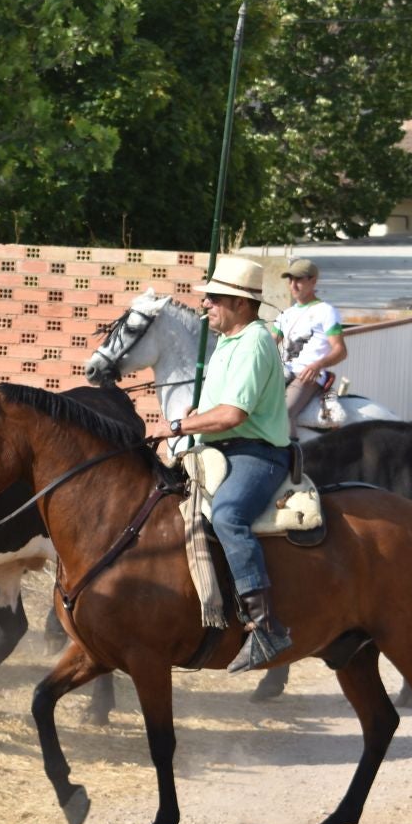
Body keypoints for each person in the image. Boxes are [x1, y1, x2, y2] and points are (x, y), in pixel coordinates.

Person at [168, 255, 293, 673]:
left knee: (228, 516)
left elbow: (233, 415)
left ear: (241, 304)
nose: (206, 305)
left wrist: (180, 423)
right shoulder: (227, 342)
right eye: (208, 299)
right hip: (219, 450)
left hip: (256, 453)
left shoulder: (256, 340)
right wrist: (194, 415)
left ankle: (266, 628)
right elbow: (214, 409)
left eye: (215, 299)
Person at [273, 258, 347, 422]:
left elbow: (340, 351)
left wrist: (317, 365)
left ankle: (294, 447)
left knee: (282, 414)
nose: (293, 285)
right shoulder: (285, 314)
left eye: (299, 279)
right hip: (281, 374)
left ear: (313, 281)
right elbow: (269, 345)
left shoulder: (326, 311)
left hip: (307, 376)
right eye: (290, 279)